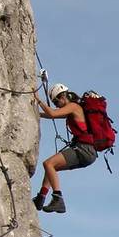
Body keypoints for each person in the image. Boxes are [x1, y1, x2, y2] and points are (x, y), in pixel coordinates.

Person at [31, 83, 97, 213]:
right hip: (87, 152)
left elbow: (53, 113)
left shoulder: (73, 106)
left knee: (48, 164)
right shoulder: (72, 109)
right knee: (52, 167)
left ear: (63, 97)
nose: (56, 104)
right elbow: (51, 115)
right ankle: (41, 198)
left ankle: (58, 199)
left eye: (56, 101)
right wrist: (37, 113)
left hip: (84, 149)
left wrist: (38, 100)